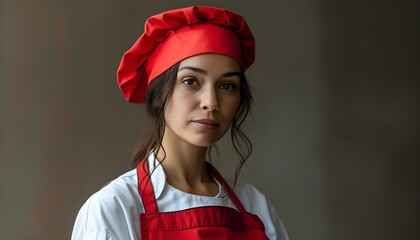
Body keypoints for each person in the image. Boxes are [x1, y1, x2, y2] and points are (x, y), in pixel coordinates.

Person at [71, 5, 289, 240]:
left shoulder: (255, 207)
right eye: (191, 81)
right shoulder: (116, 208)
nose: (211, 102)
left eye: (227, 86)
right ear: (157, 96)